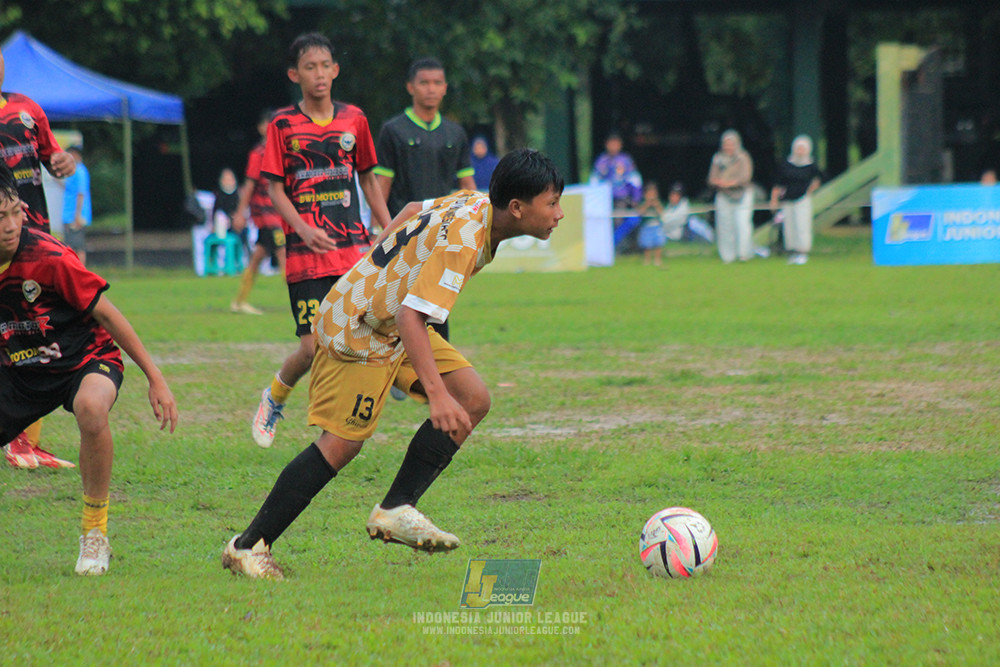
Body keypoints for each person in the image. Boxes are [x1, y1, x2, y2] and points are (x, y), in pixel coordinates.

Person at [222, 148, 564, 579]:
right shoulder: (466, 239)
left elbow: (410, 210)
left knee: (473, 398)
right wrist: (435, 395)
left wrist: (380, 263)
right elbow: (411, 316)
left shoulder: (475, 201)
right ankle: (248, 545)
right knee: (341, 446)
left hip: (392, 321)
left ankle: (396, 507)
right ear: (517, 208)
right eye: (551, 203)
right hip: (359, 327)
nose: (559, 213)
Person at [0, 162, 178, 575]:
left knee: (92, 408)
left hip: (85, 359)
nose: (10, 225)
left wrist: (156, 378)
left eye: (15, 212)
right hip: (22, 373)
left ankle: (95, 533)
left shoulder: (49, 257)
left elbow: (110, 316)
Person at [251, 33, 392, 449]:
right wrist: (302, 229)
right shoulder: (282, 124)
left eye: (325, 65)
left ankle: (344, 421)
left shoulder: (355, 120)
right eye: (309, 67)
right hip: (305, 257)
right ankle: (275, 397)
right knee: (313, 348)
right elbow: (275, 189)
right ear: (295, 74)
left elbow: (367, 178)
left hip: (353, 252)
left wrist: (389, 227)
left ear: (335, 70)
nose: (319, 74)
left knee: (363, 335)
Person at [1, 47, 78, 469]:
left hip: (36, 242)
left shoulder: (27, 109)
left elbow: (52, 158)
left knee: (37, 333)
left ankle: (23, 441)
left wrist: (62, 162)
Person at [374, 56, 477, 343]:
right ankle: (395, 366)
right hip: (404, 232)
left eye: (437, 83)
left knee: (436, 304)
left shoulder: (455, 133)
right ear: (411, 87)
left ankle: (439, 369)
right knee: (398, 301)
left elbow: (467, 185)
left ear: (445, 88)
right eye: (424, 83)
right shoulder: (393, 130)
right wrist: (379, 230)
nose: (430, 89)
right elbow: (382, 184)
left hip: (443, 233)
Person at [230, 109, 287, 315]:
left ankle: (239, 300)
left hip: (276, 211)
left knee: (259, 255)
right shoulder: (258, 153)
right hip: (264, 212)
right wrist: (239, 213)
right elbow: (250, 184)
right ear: (262, 128)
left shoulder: (281, 151)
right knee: (282, 252)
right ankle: (298, 302)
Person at [770, 135, 822, 265]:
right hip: (788, 199)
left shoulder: (811, 166)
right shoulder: (786, 164)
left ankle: (802, 251)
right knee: (789, 226)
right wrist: (774, 199)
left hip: (802, 199)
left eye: (803, 149)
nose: (800, 151)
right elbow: (778, 182)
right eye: (798, 148)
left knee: (802, 225)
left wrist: (809, 191)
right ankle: (792, 251)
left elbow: (818, 179)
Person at [707, 129, 754, 263]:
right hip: (723, 196)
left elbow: (746, 177)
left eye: (731, 144)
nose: (728, 147)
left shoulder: (743, 157)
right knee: (724, 226)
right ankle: (727, 256)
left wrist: (730, 183)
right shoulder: (717, 158)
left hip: (742, 195)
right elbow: (711, 178)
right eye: (726, 144)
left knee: (742, 224)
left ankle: (744, 254)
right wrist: (719, 183)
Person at [589, 132, 642, 248]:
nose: (613, 146)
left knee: (620, 222)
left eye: (616, 144)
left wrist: (636, 197)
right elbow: (594, 181)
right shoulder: (601, 161)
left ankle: (617, 247)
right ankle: (604, 248)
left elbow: (635, 179)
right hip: (604, 199)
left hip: (621, 199)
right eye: (611, 143)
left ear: (620, 145)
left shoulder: (626, 160)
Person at [62, 145, 92, 266]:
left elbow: (81, 194)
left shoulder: (80, 171)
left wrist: (77, 215)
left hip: (75, 216)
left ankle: (80, 272)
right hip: (69, 215)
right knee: (70, 246)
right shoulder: (73, 172)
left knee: (78, 247)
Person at [635, 181, 666, 266]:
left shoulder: (658, 202)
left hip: (656, 225)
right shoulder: (643, 202)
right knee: (647, 244)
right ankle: (647, 259)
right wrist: (647, 204)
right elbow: (640, 212)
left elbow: (662, 212)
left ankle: (657, 260)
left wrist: (656, 205)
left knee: (658, 243)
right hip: (646, 226)